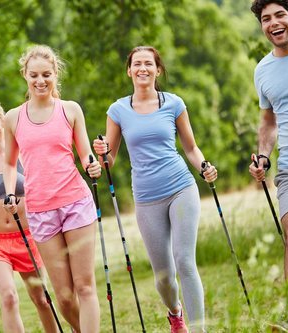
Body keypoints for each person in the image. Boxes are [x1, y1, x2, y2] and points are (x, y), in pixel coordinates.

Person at [93, 46, 217, 333]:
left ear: (158, 70)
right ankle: (175, 313)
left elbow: (191, 148)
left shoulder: (174, 103)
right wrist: (102, 152)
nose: (143, 69)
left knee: (185, 262)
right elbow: (109, 159)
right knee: (163, 276)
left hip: (180, 187)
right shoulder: (118, 110)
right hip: (147, 198)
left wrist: (204, 167)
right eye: (137, 64)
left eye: (149, 64)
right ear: (129, 70)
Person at [2, 45, 102, 333]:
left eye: (46, 74)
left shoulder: (70, 110)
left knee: (84, 286)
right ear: (25, 75)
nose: (40, 81)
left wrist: (92, 164)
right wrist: (10, 191)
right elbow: (10, 164)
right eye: (34, 75)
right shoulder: (13, 118)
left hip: (75, 202)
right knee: (64, 297)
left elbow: (85, 154)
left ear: (55, 75)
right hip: (40, 209)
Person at [0, 99, 59, 333]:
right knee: (8, 296)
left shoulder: (24, 154)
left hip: (28, 237)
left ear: (3, 121)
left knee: (42, 299)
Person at [249, 0, 288, 285]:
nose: (274, 23)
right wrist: (263, 156)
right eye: (266, 19)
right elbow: (269, 121)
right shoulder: (263, 70)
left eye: (280, 15)